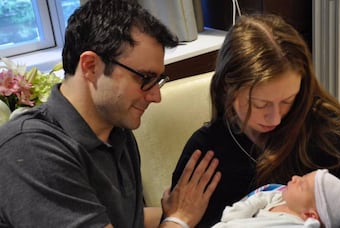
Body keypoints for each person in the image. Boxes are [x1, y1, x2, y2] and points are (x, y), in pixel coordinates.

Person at [0, 0, 221, 227]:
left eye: (158, 81)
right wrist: (179, 219)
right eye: (144, 78)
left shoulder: (116, 131)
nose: (156, 96)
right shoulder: (31, 150)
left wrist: (189, 210)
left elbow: (119, 219)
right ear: (90, 66)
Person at [171, 14, 340, 227]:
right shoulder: (206, 151)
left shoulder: (323, 125)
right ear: (227, 90)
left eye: (288, 100)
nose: (276, 117)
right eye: (260, 105)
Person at [212, 169, 340, 228]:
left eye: (302, 185)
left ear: (310, 215)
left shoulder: (295, 224)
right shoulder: (277, 196)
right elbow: (255, 200)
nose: (295, 178)